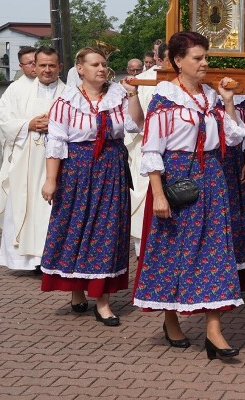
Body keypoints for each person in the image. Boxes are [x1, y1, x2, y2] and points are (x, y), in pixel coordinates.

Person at [132, 31, 245, 359]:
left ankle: (214, 331)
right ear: (178, 61)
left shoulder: (210, 97)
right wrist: (159, 195)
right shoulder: (165, 99)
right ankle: (171, 318)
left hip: (211, 177)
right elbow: (152, 149)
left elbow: (234, 137)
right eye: (197, 58)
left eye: (205, 57)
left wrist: (226, 101)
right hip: (177, 178)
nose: (204, 63)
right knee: (174, 251)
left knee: (216, 252)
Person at [40, 46, 144, 325]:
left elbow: (136, 125)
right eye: (95, 64)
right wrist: (51, 180)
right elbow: (56, 142)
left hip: (110, 168)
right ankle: (76, 289)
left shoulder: (118, 96)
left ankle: (103, 301)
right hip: (76, 170)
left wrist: (133, 95)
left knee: (107, 232)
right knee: (76, 228)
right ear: (80, 69)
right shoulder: (67, 101)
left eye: (104, 64)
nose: (101, 68)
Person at [0, 46, 66, 272]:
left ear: (60, 67)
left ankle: (54, 258)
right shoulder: (17, 90)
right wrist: (28, 125)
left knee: (53, 210)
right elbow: (1, 117)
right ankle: (29, 261)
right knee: (26, 204)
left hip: (60, 162)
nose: (46, 70)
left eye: (52, 65)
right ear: (34, 66)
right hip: (26, 161)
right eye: (42, 65)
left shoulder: (70, 92)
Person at [216, 92, 245, 292]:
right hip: (214, 157)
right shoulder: (204, 96)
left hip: (235, 160)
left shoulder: (241, 99)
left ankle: (239, 275)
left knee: (240, 215)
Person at [127, 42, 167, 256]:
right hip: (147, 146)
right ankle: (144, 250)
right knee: (145, 200)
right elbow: (136, 121)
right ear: (159, 59)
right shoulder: (146, 80)